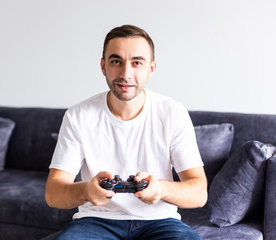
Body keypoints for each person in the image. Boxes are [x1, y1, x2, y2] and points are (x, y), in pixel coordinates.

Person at [45, 24, 207, 240]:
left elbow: (199, 193)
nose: (125, 74)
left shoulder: (172, 113)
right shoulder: (78, 115)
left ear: (151, 68)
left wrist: (161, 189)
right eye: (116, 62)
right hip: (96, 221)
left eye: (137, 62)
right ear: (103, 66)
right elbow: (53, 193)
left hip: (160, 222)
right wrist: (86, 191)